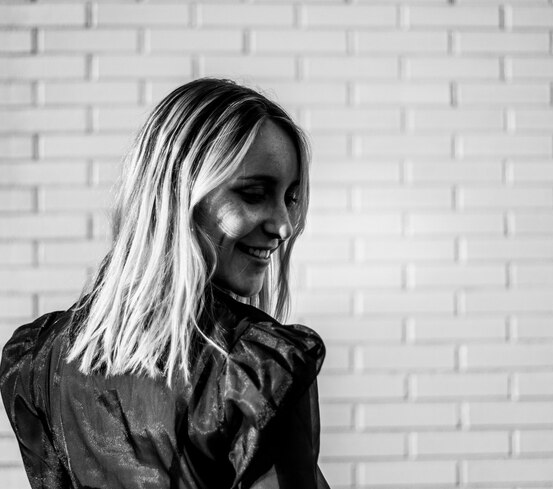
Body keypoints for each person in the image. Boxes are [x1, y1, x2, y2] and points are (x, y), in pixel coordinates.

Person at [0, 78, 329, 489]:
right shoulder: (254, 370)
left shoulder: (38, 360)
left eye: (290, 198)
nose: (284, 225)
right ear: (177, 194)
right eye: (254, 193)